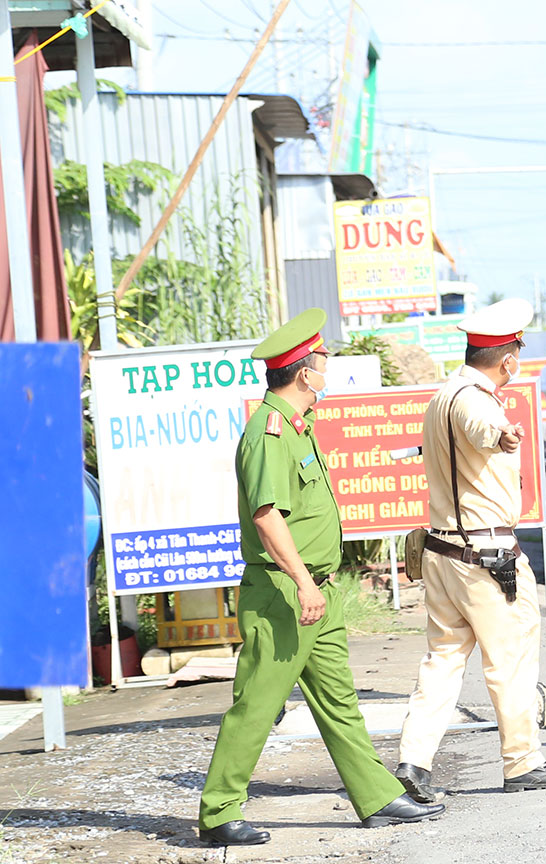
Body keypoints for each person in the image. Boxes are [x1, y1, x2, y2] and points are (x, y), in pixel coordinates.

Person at [197, 309, 443, 847]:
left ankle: (376, 796)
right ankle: (218, 812)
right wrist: (304, 583)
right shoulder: (269, 433)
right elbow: (267, 517)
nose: (327, 369)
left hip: (316, 590)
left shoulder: (297, 429)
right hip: (286, 592)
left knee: (338, 701)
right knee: (258, 703)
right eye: (323, 362)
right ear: (305, 373)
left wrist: (318, 585)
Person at [394, 299, 546, 802]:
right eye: (517, 350)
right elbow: (483, 429)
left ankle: (414, 759)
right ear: (507, 359)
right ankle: (522, 761)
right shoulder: (476, 400)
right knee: (511, 659)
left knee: (442, 660)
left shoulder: (442, 396)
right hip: (485, 557)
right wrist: (503, 433)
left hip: (441, 552)